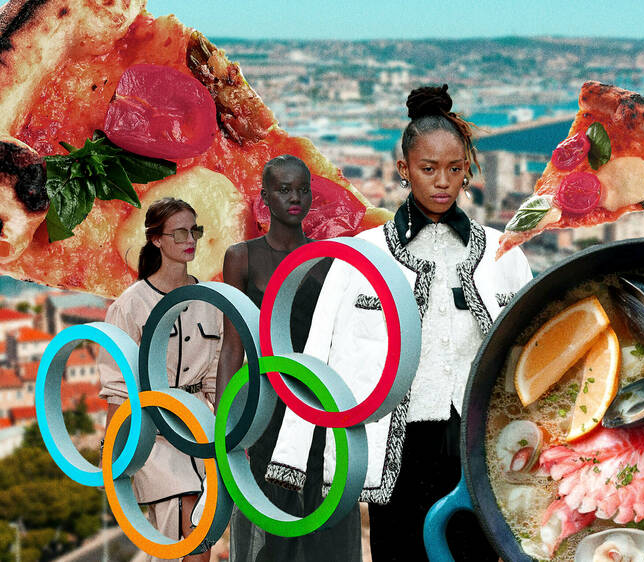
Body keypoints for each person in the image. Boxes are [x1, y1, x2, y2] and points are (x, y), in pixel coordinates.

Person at [266, 85, 533, 561]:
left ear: (468, 170)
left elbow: (530, 351)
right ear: (404, 170)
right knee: (399, 551)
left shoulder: (503, 253)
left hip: (476, 444)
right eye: (428, 169)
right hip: (395, 442)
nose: (442, 182)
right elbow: (316, 355)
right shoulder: (360, 253)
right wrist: (293, 453)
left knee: (479, 551)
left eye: (454, 169)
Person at [215, 154, 362, 562]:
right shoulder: (240, 257)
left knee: (325, 514)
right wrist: (224, 426)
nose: (294, 198)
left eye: (301, 190)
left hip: (321, 402)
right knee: (273, 524)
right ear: (264, 197)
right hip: (266, 407)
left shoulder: (330, 257)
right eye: (283, 189)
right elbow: (232, 346)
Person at [98, 197, 222, 562]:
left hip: (202, 433)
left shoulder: (211, 300)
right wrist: (115, 453)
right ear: (156, 239)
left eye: (194, 230)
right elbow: (118, 386)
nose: (191, 240)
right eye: (180, 232)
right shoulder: (129, 304)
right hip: (154, 432)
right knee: (176, 529)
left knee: (201, 548)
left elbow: (216, 377)